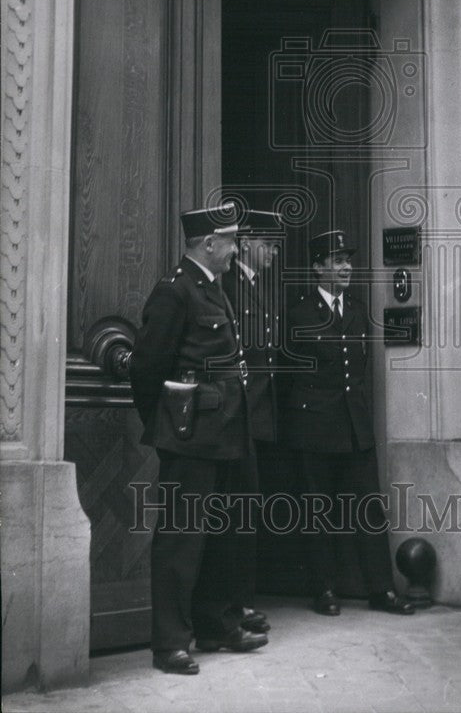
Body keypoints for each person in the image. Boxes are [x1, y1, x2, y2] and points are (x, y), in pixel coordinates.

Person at [130, 203, 268, 675]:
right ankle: (169, 643)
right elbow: (146, 370)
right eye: (230, 241)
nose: (235, 249)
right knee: (181, 539)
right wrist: (171, 423)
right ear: (209, 244)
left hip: (229, 430)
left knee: (226, 534)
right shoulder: (174, 292)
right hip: (191, 436)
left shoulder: (212, 287)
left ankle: (215, 624)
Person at [282, 229, 414, 617]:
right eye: (337, 261)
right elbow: (288, 377)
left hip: (355, 428)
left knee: (369, 511)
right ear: (318, 267)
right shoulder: (299, 313)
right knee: (317, 511)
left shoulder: (357, 310)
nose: (346, 267)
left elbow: (358, 371)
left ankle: (381, 589)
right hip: (314, 428)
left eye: (348, 261)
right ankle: (323, 588)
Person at [221, 209, 282, 634]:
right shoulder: (229, 284)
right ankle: (234, 603)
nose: (274, 253)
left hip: (257, 417)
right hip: (237, 417)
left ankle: (241, 601)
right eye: (269, 245)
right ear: (247, 243)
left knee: (247, 510)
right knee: (236, 512)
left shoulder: (255, 285)